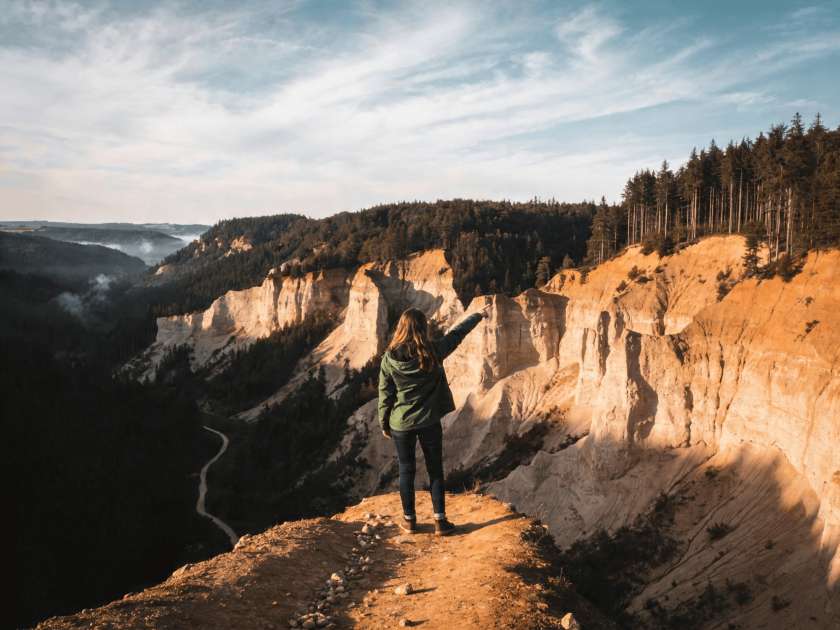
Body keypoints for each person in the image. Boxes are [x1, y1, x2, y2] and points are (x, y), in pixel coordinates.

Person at [378, 306, 487, 536]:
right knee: (435, 469)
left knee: (406, 470)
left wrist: (384, 422)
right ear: (423, 328)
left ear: (400, 328)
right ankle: (440, 522)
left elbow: (385, 394)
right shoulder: (434, 351)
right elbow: (456, 335)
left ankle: (409, 521)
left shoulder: (389, 358)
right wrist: (477, 316)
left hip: (401, 423)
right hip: (428, 421)